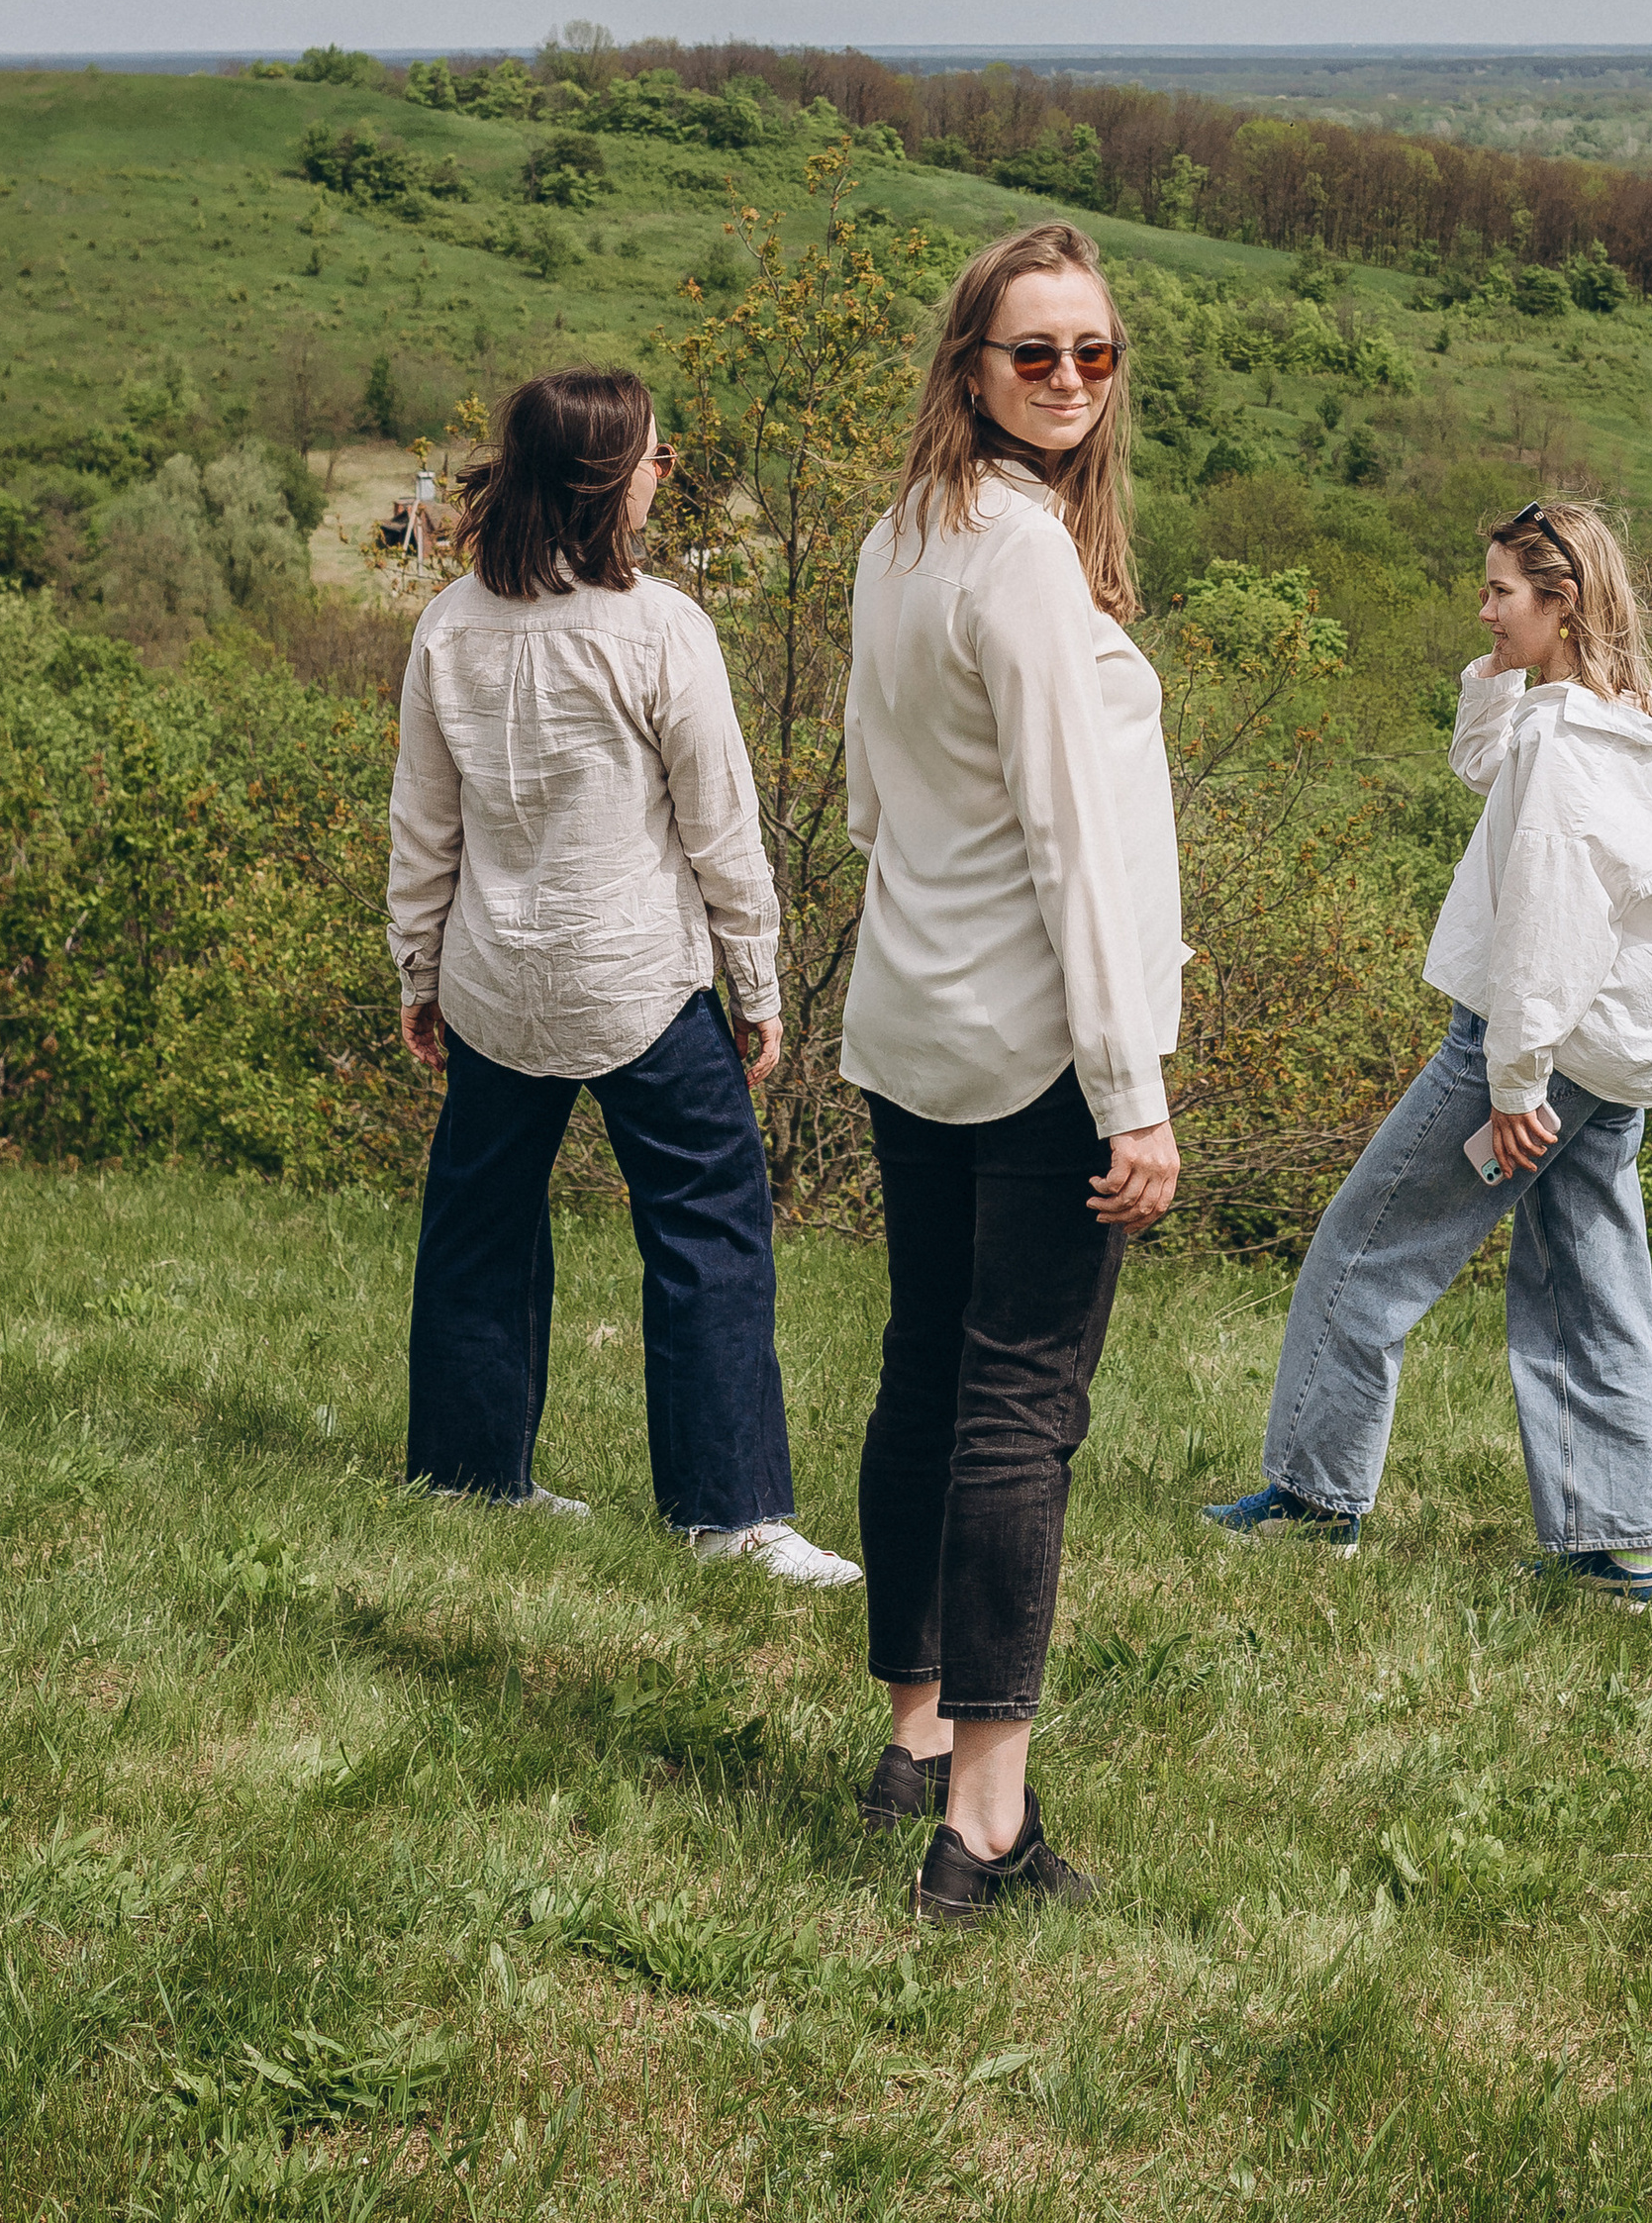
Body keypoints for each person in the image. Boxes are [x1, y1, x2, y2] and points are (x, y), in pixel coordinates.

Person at [839, 220, 1184, 1923]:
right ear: (968, 364)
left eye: (1092, 351)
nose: (1066, 377)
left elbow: (867, 798)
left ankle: (916, 1729)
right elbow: (1076, 845)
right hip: (1039, 1038)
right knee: (1017, 1403)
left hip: (912, 1016)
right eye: (1033, 350)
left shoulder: (902, 533)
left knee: (929, 1368)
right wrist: (1133, 1086)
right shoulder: (1023, 559)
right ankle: (982, 1822)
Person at [388, 366, 858, 1588]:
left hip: (492, 978)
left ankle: (467, 1475)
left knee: (478, 1229)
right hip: (638, 979)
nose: (665, 473)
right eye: (657, 455)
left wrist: (418, 971)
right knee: (709, 1230)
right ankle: (730, 1515)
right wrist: (756, 983)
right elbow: (721, 830)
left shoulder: (448, 625)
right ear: (608, 481)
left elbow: (423, 828)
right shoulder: (660, 629)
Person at [1203, 501, 1652, 1596]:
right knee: (1588, 1287)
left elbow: (1546, 927)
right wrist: (1497, 671)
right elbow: (1488, 766)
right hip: (1602, 1056)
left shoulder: (1565, 750)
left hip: (1529, 1047)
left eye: (1500, 593)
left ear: (1562, 602)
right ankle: (1622, 1548)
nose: (1481, 609)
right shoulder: (1608, 721)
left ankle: (1313, 1501)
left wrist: (1514, 1083)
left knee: (1364, 1250)